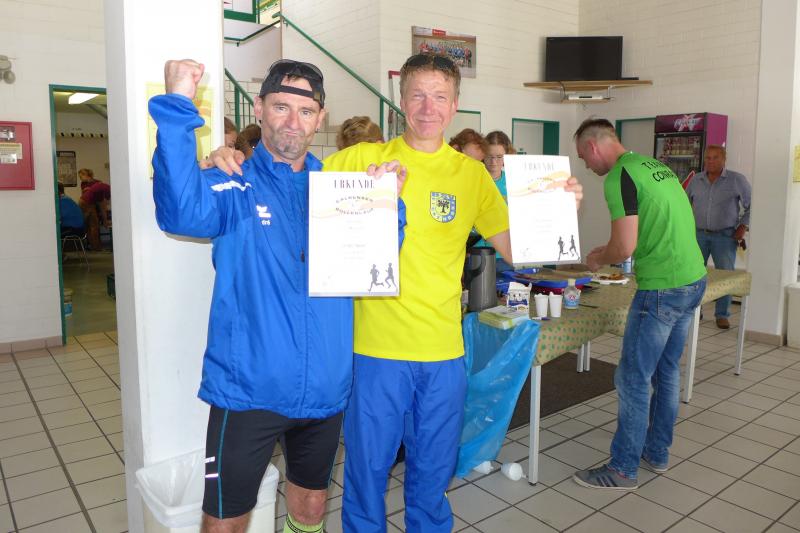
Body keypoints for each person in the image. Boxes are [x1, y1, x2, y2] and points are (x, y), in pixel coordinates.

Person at [322, 54, 582, 532]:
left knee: (432, 474)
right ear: (401, 100)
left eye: (439, 96)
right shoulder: (362, 159)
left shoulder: (470, 175)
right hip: (375, 351)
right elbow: (295, 184)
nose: (428, 107)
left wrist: (559, 210)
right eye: (418, 95)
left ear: (455, 104)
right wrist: (228, 158)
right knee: (365, 475)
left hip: (443, 352)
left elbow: (518, 250)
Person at [149, 58, 405, 533]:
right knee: (225, 522)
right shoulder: (234, 180)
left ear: (320, 118)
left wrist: (389, 205)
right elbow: (180, 211)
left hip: (325, 390)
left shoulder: (337, 191)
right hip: (249, 392)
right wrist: (178, 105)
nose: (293, 122)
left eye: (305, 111)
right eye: (281, 107)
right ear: (260, 108)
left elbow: (376, 263)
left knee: (310, 506)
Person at [572, 118, 706, 491]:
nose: (586, 165)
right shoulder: (652, 165)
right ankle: (657, 453)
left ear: (594, 146)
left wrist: (599, 258)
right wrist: (611, 249)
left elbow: (625, 247)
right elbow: (649, 229)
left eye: (583, 157)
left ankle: (622, 469)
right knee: (666, 371)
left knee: (632, 376)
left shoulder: (619, 176)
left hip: (663, 287)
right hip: (692, 279)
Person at [685, 145, 751, 329]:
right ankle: (695, 311)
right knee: (694, 274)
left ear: (724, 160)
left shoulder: (736, 180)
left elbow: (752, 205)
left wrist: (743, 226)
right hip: (698, 235)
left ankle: (722, 315)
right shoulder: (696, 180)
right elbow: (684, 204)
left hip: (725, 236)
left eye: (715, 158)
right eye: (708, 158)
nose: (711, 161)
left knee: (725, 276)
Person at [78, 172, 111, 251]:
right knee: (94, 226)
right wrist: (105, 221)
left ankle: (94, 247)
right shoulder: (104, 189)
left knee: (90, 226)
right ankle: (96, 248)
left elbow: (103, 205)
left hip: (83, 202)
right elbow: (102, 207)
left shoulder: (101, 186)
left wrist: (105, 220)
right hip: (87, 203)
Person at [483, 130, 516, 202]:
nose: (493, 162)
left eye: (499, 157)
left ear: (508, 155)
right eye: (489, 156)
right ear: (483, 154)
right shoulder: (475, 180)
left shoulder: (512, 181)